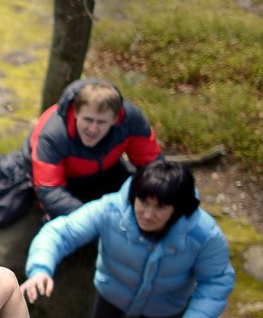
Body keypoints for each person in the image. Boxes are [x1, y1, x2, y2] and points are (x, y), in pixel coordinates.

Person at [20, 161, 234, 318]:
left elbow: (217, 280)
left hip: (165, 303)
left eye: (160, 207)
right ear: (134, 194)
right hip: (112, 289)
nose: (148, 214)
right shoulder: (111, 210)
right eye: (143, 202)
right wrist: (41, 267)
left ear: (178, 208)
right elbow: (62, 232)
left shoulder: (203, 234)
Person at [27, 78, 163, 219]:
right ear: (75, 112)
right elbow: (50, 192)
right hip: (61, 180)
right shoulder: (52, 135)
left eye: (101, 122)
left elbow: (152, 165)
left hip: (105, 170)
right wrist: (96, 222)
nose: (92, 129)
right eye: (88, 120)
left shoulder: (131, 120)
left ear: (115, 119)